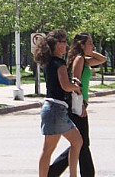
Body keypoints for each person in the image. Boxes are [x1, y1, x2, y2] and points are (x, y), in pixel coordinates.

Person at [48, 33, 107, 177]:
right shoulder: (79, 59)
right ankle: (84, 173)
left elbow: (102, 59)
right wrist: (80, 106)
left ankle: (53, 171)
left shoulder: (84, 59)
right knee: (82, 143)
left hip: (79, 105)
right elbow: (76, 83)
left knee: (79, 143)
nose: (93, 46)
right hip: (76, 106)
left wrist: (89, 50)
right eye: (90, 43)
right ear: (81, 45)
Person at [33, 30, 83, 177]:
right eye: (63, 42)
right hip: (56, 109)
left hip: (51, 108)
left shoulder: (49, 62)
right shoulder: (59, 63)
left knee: (49, 149)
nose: (66, 45)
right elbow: (65, 86)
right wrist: (76, 87)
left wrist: (71, 84)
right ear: (56, 44)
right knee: (76, 142)